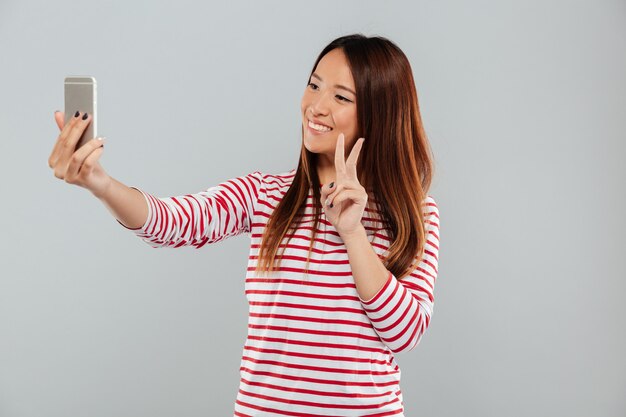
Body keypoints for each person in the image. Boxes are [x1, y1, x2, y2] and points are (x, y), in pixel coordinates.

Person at [48, 34, 440, 416]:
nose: (316, 106)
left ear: (380, 111)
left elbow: (405, 334)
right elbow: (172, 222)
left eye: (341, 97)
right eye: (314, 85)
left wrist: (353, 233)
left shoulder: (414, 212)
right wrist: (99, 183)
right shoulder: (265, 194)